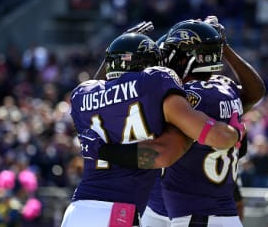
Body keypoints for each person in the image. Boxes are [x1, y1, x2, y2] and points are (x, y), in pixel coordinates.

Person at [61, 32, 244, 227]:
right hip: (118, 212)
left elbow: (108, 96)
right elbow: (209, 140)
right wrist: (236, 132)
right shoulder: (154, 83)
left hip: (76, 210)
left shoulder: (82, 93)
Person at [140, 17, 265, 227]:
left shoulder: (185, 98)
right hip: (204, 207)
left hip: (192, 213)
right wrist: (222, 47)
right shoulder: (225, 90)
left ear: (182, 59)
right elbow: (255, 92)